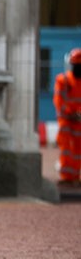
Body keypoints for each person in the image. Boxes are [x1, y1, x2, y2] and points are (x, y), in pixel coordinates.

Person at [54, 48, 81, 187]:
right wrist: (71, 114)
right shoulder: (63, 80)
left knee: (77, 151)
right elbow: (59, 101)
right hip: (66, 121)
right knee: (66, 148)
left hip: (78, 122)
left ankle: (75, 176)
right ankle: (66, 176)